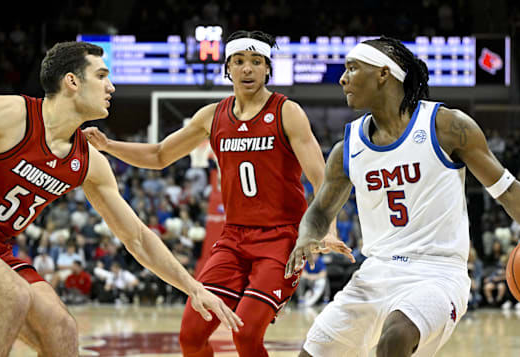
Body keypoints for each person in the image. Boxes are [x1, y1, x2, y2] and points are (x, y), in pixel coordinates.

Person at [0, 41, 241, 357]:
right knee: (13, 295)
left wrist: (192, 287)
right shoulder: (10, 114)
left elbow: (136, 237)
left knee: (62, 330)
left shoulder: (89, 161)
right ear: (72, 82)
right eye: (102, 76)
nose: (111, 87)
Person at [285, 36, 520, 357]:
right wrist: (307, 235)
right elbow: (320, 210)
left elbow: (508, 190)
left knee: (395, 339)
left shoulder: (447, 127)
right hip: (375, 272)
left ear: (383, 74)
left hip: (437, 274)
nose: (342, 78)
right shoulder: (347, 148)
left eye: (352, 68)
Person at [83, 30, 354, 357]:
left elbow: (321, 177)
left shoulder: (286, 111)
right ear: (227, 68)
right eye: (239, 62)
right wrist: (108, 146)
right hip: (233, 239)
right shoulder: (212, 116)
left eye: (256, 62)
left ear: (268, 68)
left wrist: (328, 228)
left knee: (246, 333)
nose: (248, 69)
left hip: (281, 239)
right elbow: (158, 156)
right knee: (191, 336)